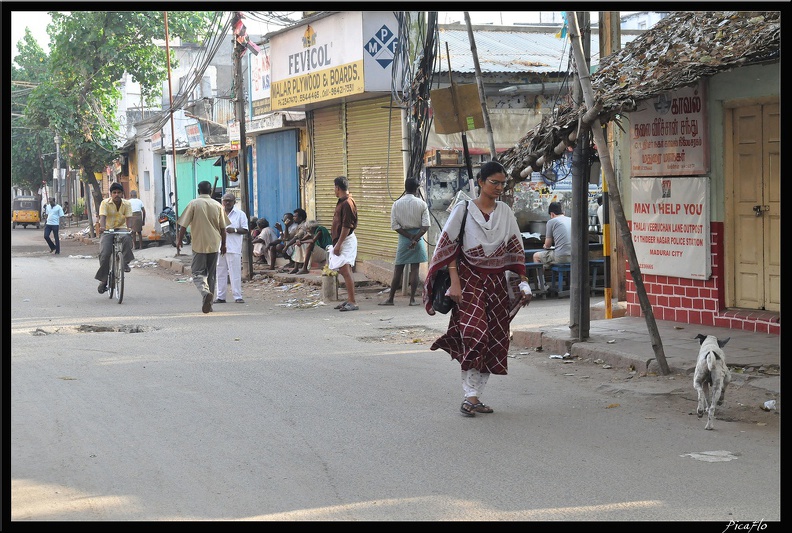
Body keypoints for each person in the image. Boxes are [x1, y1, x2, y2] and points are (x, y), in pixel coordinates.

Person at [424, 161, 532, 417]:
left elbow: (515, 250)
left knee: (494, 337)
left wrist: (524, 282)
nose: (498, 187)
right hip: (468, 278)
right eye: (494, 182)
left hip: (496, 282)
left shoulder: (505, 212)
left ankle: (474, 396)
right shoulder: (463, 209)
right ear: (480, 182)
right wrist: (455, 281)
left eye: (502, 183)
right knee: (475, 334)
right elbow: (449, 245)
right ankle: (469, 395)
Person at [176, 180, 230, 313]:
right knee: (211, 275)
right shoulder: (217, 205)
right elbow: (223, 228)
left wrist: (179, 240)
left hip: (199, 244)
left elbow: (183, 225)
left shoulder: (194, 203)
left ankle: (205, 292)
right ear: (210, 189)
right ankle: (209, 304)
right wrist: (224, 244)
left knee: (197, 272)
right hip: (214, 243)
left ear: (198, 190)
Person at [379, 177, 430, 306]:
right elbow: (425, 226)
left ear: (405, 187)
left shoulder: (396, 204)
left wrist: (408, 236)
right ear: (416, 189)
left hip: (403, 238)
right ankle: (412, 299)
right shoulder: (422, 204)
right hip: (417, 238)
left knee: (398, 269)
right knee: (415, 269)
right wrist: (415, 238)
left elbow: (395, 226)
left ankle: (391, 299)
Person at [95, 182, 135, 294]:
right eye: (114, 193)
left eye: (119, 192)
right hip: (107, 230)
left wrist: (130, 228)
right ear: (111, 194)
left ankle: (125, 262)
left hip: (121, 229)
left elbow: (129, 218)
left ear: (122, 193)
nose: (116, 194)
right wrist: (102, 227)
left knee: (127, 239)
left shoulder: (127, 204)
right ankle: (103, 280)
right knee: (105, 253)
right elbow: (102, 217)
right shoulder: (105, 203)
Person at [328, 176, 359, 311]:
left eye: (334, 188)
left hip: (345, 240)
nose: (334, 190)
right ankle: (349, 300)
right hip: (342, 240)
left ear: (338, 188)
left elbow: (346, 226)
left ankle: (352, 301)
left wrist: (339, 244)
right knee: (345, 270)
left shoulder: (347, 203)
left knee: (345, 271)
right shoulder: (342, 201)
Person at [214, 192, 248, 304]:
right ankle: (221, 296)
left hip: (233, 247)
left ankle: (237, 296)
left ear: (234, 202)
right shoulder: (217, 212)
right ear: (222, 201)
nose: (227, 202)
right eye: (225, 200)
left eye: (230, 200)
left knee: (235, 273)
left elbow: (246, 230)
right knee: (220, 272)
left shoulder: (240, 214)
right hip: (219, 247)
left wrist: (235, 230)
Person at [532, 201, 572, 267]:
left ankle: (540, 277)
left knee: (536, 256)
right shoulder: (571, 220)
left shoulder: (551, 222)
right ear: (563, 213)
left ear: (552, 214)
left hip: (561, 257)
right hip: (575, 256)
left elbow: (548, 245)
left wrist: (545, 246)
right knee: (549, 256)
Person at [280, 208, 308, 274]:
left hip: (307, 246)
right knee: (296, 244)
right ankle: (296, 266)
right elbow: (287, 238)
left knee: (297, 245)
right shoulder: (298, 226)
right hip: (302, 245)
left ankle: (296, 267)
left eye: (295, 216)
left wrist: (287, 246)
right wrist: (286, 226)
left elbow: (296, 237)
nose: (293, 218)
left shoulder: (304, 226)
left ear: (300, 218)